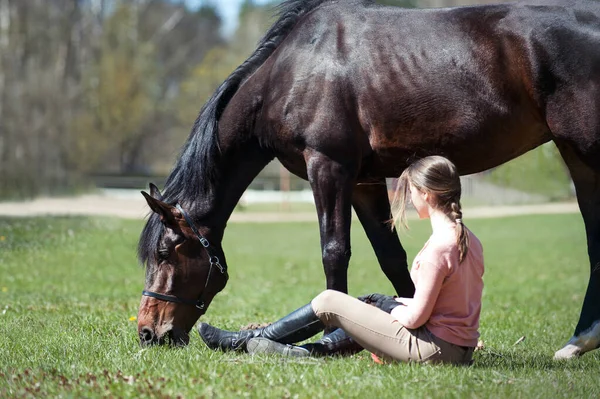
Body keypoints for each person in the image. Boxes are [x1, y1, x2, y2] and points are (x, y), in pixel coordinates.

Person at [198, 156, 484, 365]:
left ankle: (243, 341)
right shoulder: (469, 240)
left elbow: (416, 318)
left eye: (411, 191)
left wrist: (391, 308)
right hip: (456, 349)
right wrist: (382, 304)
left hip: (432, 350)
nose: (409, 198)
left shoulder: (439, 248)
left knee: (329, 301)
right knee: (370, 302)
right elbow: (446, 309)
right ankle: (304, 353)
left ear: (427, 194)